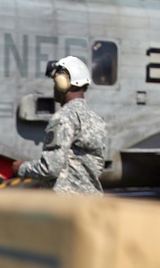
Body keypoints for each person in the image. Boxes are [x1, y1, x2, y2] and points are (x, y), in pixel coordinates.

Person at [12, 56, 107, 194]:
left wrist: (21, 168)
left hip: (65, 205)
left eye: (55, 81)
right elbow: (97, 166)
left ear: (62, 83)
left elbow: (51, 167)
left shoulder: (63, 118)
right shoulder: (97, 120)